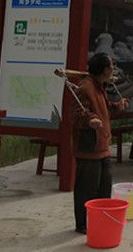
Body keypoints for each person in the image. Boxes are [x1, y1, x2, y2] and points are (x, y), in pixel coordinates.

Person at [55, 53, 128, 234]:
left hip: (102, 146)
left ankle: (100, 221)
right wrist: (90, 120)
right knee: (86, 190)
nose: (113, 70)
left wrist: (118, 105)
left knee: (104, 189)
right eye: (111, 66)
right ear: (104, 69)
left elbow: (105, 108)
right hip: (89, 147)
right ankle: (82, 224)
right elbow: (77, 114)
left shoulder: (99, 86)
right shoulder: (85, 87)